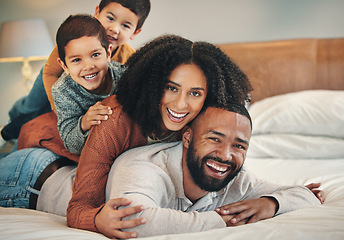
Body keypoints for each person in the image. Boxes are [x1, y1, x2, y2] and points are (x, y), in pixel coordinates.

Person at [0, 34, 253, 239]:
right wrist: (96, 218)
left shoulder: (198, 128)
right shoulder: (115, 120)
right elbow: (79, 208)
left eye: (195, 93)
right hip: (30, 173)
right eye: (171, 88)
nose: (180, 104)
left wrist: (270, 202)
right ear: (154, 85)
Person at [105, 102, 322, 238]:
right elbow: (131, 223)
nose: (226, 156)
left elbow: (306, 197)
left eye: (239, 145)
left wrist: (271, 203)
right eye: (214, 139)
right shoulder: (144, 166)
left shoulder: (238, 181)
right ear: (187, 137)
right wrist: (221, 221)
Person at [0, 0, 151, 142]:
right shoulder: (75, 38)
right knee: (31, 107)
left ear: (135, 32)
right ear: (97, 12)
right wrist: (56, 109)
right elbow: (50, 73)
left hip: (78, 89)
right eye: (110, 18)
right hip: (54, 78)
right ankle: (18, 115)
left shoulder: (129, 59)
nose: (114, 28)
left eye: (125, 26)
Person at [53, 14, 127, 154]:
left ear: (108, 53)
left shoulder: (125, 76)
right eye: (76, 60)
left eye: (95, 55)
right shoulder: (63, 91)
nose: (88, 66)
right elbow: (71, 144)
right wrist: (84, 123)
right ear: (64, 66)